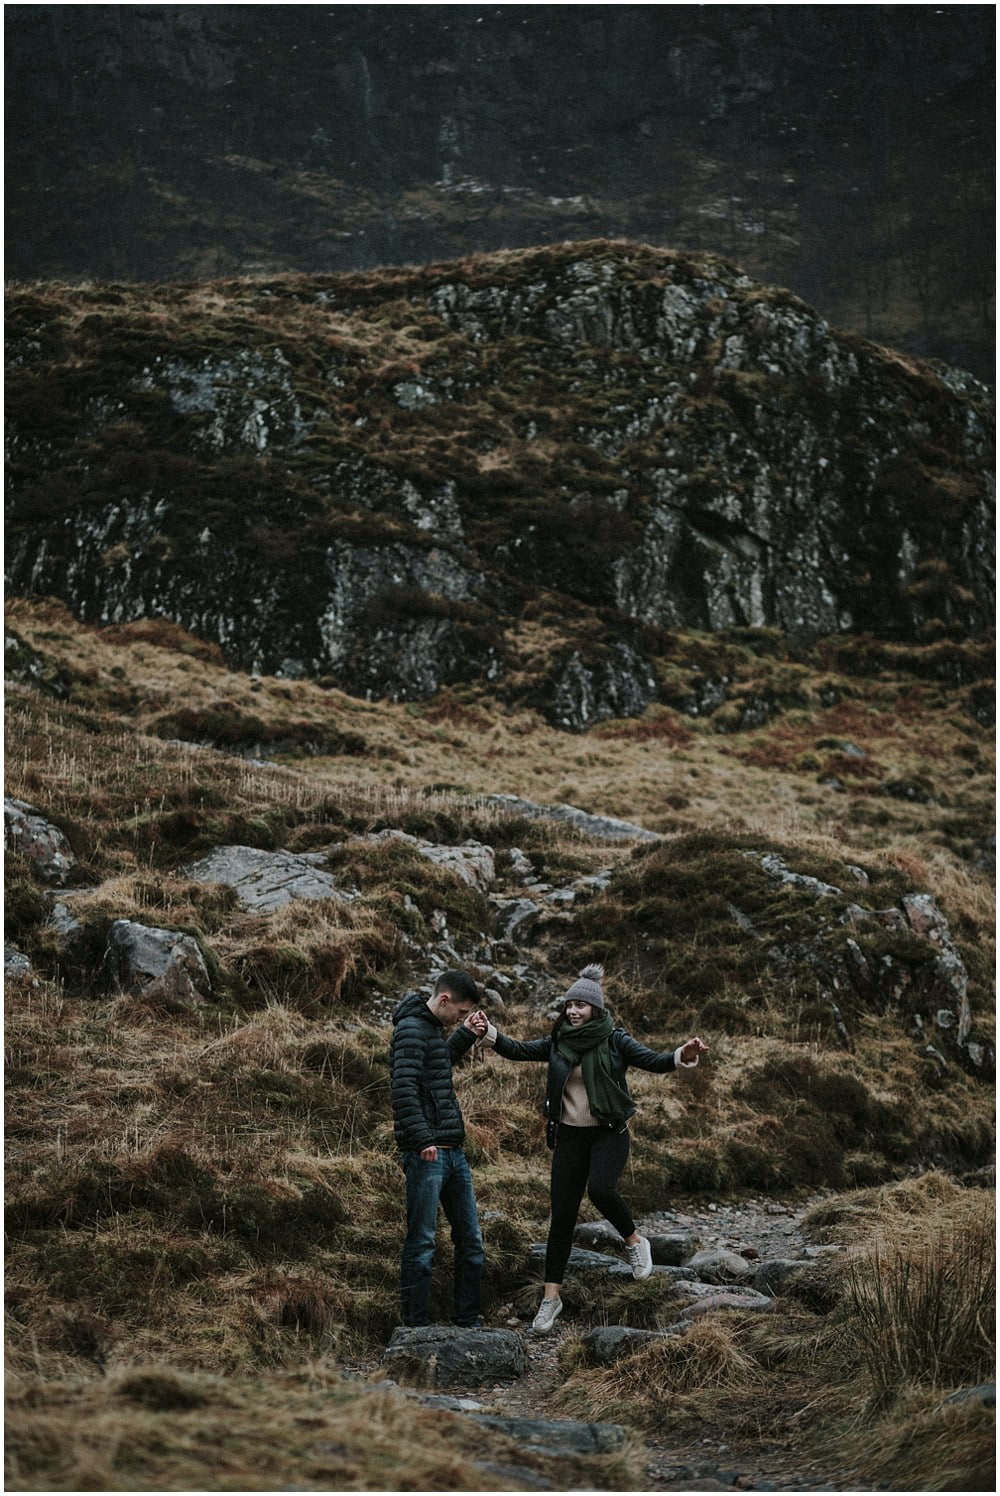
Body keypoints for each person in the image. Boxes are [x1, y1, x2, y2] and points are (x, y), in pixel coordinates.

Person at [475, 963, 708, 1333]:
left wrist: (683, 1052)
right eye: (569, 1005)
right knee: (562, 1220)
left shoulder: (615, 1040)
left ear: (595, 1010)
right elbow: (518, 1049)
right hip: (569, 1137)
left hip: (608, 1132)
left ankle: (634, 1240)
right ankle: (551, 1300)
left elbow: (653, 1060)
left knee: (601, 1189)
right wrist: (490, 1033)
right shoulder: (558, 1042)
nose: (573, 1011)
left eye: (580, 1006)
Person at [389, 969, 489, 1328]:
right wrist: (422, 1140)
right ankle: (413, 1328)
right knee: (422, 1243)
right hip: (427, 1153)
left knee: (471, 1241)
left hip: (453, 1151)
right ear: (443, 1000)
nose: (460, 1018)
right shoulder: (411, 1029)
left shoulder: (429, 1029)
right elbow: (403, 1089)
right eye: (460, 1013)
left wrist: (465, 1034)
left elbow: (437, 1066)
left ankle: (467, 1321)